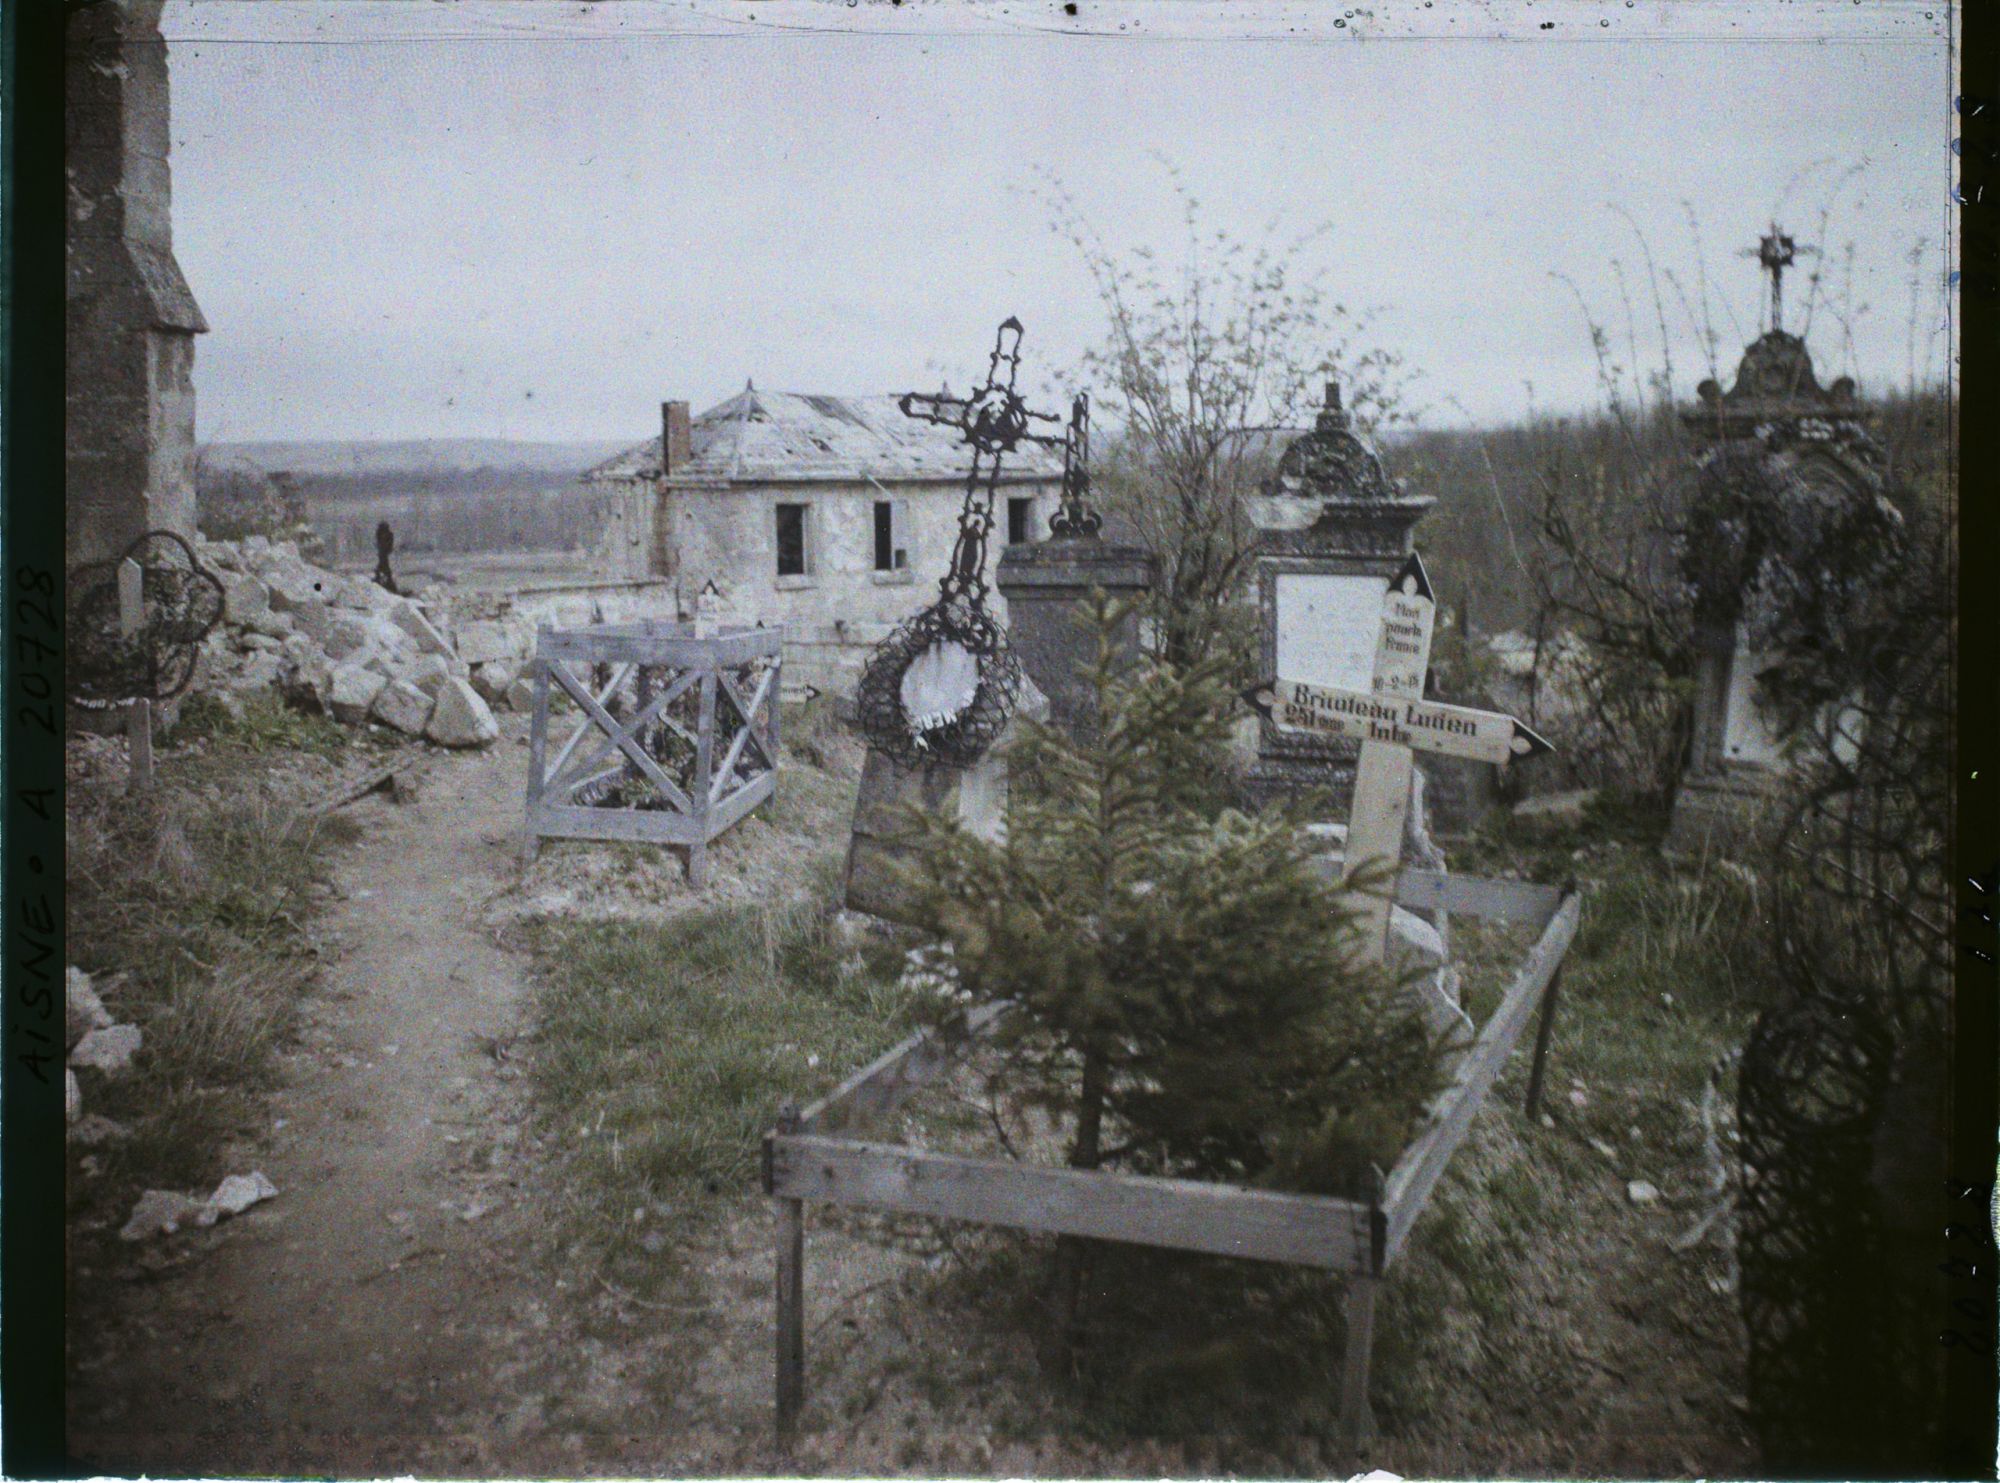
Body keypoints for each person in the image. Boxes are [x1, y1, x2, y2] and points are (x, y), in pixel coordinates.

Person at [373, 521, 398, 594]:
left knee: (383, 565)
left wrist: (385, 549)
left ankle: (384, 579)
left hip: (383, 552)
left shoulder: (385, 534)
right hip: (383, 552)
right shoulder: (382, 533)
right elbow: (382, 542)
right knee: (383, 566)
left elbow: (387, 543)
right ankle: (385, 579)